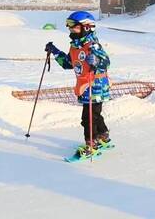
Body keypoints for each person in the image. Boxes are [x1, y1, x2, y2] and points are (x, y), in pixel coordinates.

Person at [45, 11, 111, 158]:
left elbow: (107, 62)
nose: (70, 29)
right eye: (68, 26)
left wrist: (97, 61)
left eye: (73, 26)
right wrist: (55, 52)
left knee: (88, 118)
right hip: (83, 85)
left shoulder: (93, 45)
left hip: (96, 85)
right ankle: (103, 135)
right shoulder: (75, 46)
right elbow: (68, 64)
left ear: (86, 27)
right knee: (94, 115)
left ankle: (91, 144)